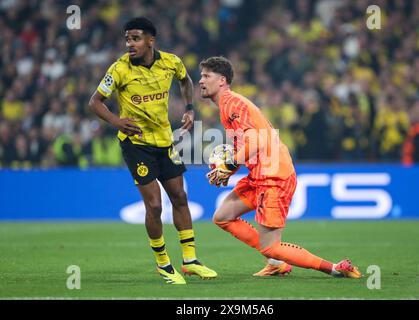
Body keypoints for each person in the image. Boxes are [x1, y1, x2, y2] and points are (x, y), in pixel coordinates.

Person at [199, 56, 361, 278]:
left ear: (222, 80)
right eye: (201, 76)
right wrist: (230, 170)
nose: (201, 81)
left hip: (273, 176)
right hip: (260, 174)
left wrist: (229, 163)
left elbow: (256, 142)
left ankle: (335, 268)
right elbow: (249, 144)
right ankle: (276, 263)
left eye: (206, 76)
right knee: (223, 216)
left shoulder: (232, 103)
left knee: (271, 246)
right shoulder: (229, 105)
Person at [89, 17, 217, 285]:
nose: (129, 44)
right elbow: (95, 102)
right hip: (136, 145)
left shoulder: (171, 62)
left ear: (150, 40)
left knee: (180, 196)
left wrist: (190, 108)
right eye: (127, 39)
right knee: (155, 205)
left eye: (135, 38)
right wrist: (116, 120)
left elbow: (185, 81)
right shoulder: (119, 69)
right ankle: (163, 264)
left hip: (164, 141)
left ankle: (190, 261)